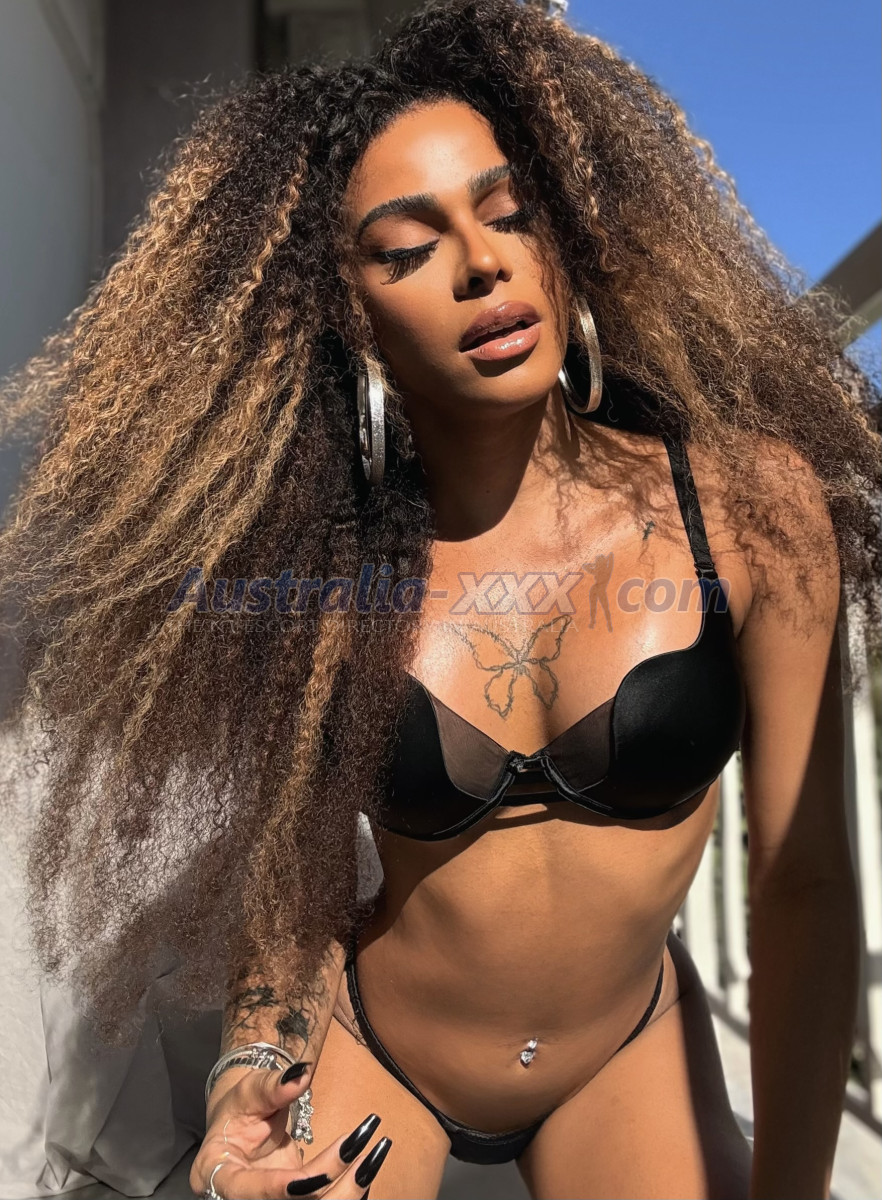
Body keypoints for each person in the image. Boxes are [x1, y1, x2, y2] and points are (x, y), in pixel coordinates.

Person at [0, 1, 879, 1198]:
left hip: (623, 1055)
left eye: (510, 212)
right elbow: (295, 884)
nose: (482, 263)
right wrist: (245, 1075)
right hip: (384, 1060)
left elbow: (805, 882)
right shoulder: (327, 574)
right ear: (347, 312)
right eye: (408, 249)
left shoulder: (747, 508)